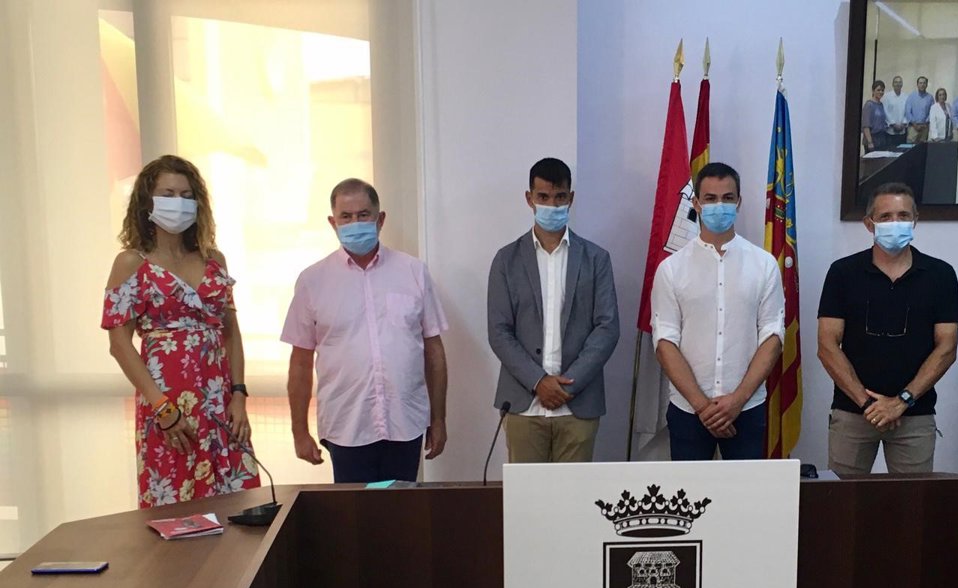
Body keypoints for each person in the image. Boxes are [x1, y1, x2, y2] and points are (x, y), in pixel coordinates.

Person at [102, 155, 260, 508]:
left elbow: (231, 333)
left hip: (220, 400)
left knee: (238, 506)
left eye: (187, 196)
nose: (179, 203)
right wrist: (161, 406)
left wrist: (238, 395)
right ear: (147, 202)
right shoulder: (131, 263)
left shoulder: (214, 259)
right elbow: (119, 344)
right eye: (168, 194)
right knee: (176, 503)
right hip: (168, 403)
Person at [281, 178, 448, 483]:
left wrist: (438, 420)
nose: (355, 223)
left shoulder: (413, 271)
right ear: (333, 222)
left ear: (380, 219)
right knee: (356, 510)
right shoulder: (313, 281)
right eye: (346, 217)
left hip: (405, 421)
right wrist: (299, 432)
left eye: (363, 215)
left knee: (401, 508)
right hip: (347, 425)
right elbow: (301, 362)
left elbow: (433, 352)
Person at [816, 182, 958, 476]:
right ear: (869, 224)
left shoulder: (940, 275)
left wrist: (901, 402)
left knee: (912, 500)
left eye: (903, 216)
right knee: (842, 498)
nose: (895, 223)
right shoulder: (843, 273)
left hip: (915, 414)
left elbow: (947, 348)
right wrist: (869, 404)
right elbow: (827, 346)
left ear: (915, 220)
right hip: (852, 412)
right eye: (885, 217)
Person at [487, 158, 620, 463]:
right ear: (529, 198)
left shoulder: (596, 259)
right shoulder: (506, 260)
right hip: (523, 404)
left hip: (578, 405)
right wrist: (539, 381)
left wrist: (569, 384)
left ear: (571, 198)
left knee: (574, 493)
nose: (552, 205)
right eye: (543, 197)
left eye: (560, 197)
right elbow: (499, 331)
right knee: (527, 493)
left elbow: (607, 327)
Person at [650, 161, 784, 461]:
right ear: (696, 203)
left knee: (747, 491)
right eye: (710, 199)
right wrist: (702, 406)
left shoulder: (764, 265)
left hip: (747, 408)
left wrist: (737, 400)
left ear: (739, 202)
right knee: (687, 492)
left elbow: (773, 338)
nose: (719, 206)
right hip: (688, 410)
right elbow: (665, 342)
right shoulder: (671, 269)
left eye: (727, 198)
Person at [861, 80, 889, 152]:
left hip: (881, 139)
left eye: (882, 90)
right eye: (878, 90)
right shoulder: (869, 105)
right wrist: (870, 142)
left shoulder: (881, 104)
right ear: (873, 91)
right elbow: (866, 125)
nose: (881, 92)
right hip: (872, 139)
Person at [904, 76, 934, 143]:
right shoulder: (911, 96)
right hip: (913, 127)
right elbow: (908, 112)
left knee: (923, 147)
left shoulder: (930, 98)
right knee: (911, 147)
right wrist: (915, 124)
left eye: (924, 83)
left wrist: (925, 123)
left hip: (925, 127)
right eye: (920, 83)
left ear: (926, 85)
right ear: (917, 84)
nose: (922, 85)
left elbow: (932, 112)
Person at [883, 75, 907, 149]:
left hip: (902, 130)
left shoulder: (906, 96)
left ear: (902, 84)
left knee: (901, 152)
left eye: (900, 82)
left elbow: (907, 111)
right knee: (890, 152)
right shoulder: (887, 96)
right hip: (890, 131)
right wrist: (893, 124)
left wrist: (903, 123)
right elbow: (885, 111)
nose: (898, 84)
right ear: (893, 84)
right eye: (896, 82)